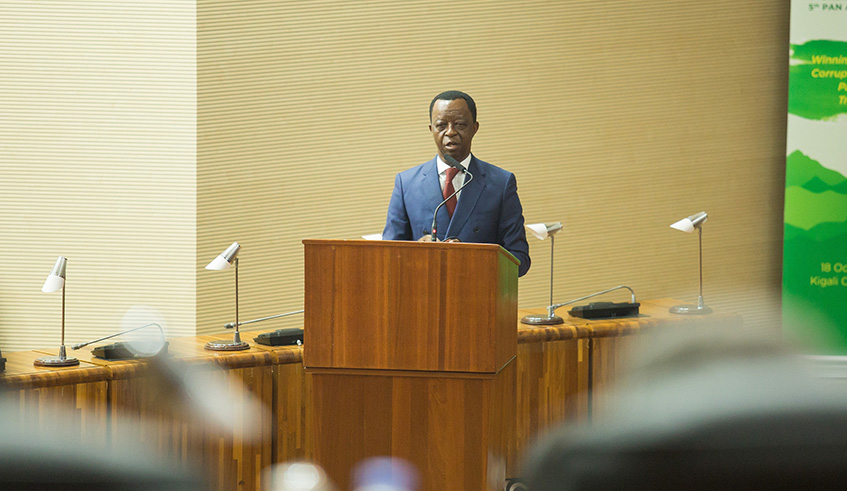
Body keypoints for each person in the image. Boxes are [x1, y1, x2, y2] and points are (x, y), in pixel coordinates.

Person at [382, 90, 531, 277]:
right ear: (431, 129)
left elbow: (520, 260)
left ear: (474, 128)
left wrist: (471, 258)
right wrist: (416, 250)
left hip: (479, 297)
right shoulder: (406, 183)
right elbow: (386, 256)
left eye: (459, 124)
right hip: (422, 297)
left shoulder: (501, 183)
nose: (450, 132)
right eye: (441, 125)